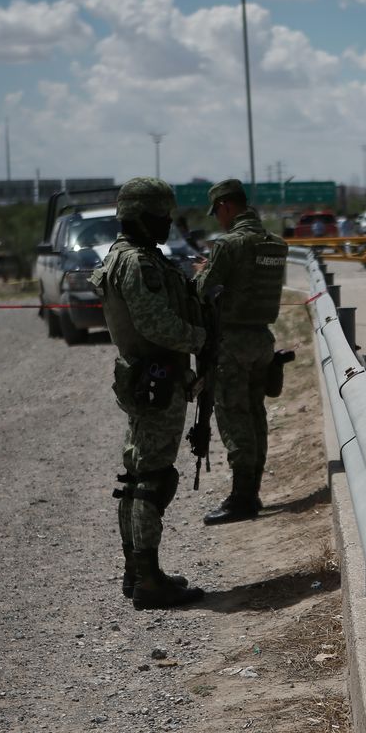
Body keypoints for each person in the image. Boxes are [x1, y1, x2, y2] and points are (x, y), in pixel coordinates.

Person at [90, 177, 207, 609]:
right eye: (160, 217)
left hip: (145, 377)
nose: (167, 224)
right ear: (139, 217)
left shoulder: (127, 257)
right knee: (154, 478)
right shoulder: (137, 263)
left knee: (138, 475)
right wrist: (200, 338)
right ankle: (149, 580)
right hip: (157, 378)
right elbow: (156, 325)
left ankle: (137, 572)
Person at [194, 178, 289, 524]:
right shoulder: (275, 243)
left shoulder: (228, 244)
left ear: (225, 207)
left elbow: (204, 290)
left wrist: (200, 272)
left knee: (234, 417)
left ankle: (242, 498)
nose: (217, 219)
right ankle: (252, 491)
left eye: (217, 212)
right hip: (262, 340)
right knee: (255, 415)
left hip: (232, 343)